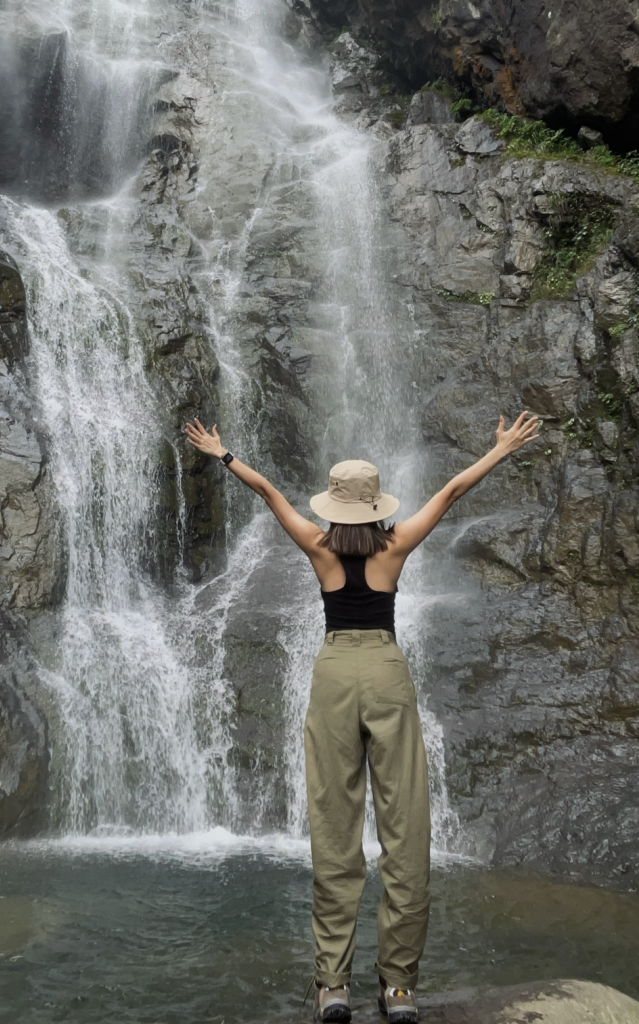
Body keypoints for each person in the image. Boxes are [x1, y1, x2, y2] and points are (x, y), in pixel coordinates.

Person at [184, 412, 540, 1024]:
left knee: (333, 823)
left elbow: (269, 492)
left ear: (332, 506)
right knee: (405, 828)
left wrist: (223, 454)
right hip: (385, 672)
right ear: (376, 506)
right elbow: (453, 490)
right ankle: (399, 986)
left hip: (332, 677)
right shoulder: (396, 545)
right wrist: (501, 448)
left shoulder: (317, 547)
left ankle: (333, 985)